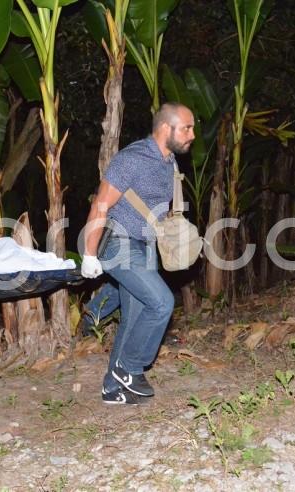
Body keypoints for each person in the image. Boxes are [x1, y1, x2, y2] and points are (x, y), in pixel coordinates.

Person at [81, 102, 195, 405]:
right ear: (165, 128)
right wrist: (89, 254)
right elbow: (100, 204)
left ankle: (112, 388)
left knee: (134, 318)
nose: (192, 134)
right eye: (187, 127)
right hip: (118, 242)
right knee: (161, 302)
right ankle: (130, 370)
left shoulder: (169, 160)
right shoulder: (132, 159)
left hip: (145, 246)